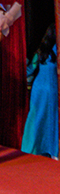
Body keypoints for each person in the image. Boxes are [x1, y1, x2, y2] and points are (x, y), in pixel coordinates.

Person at [21, 25, 58, 158]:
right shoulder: (55, 50)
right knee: (51, 118)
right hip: (52, 88)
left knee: (37, 118)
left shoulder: (42, 50)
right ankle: (52, 149)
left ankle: (33, 147)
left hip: (39, 88)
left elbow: (30, 70)